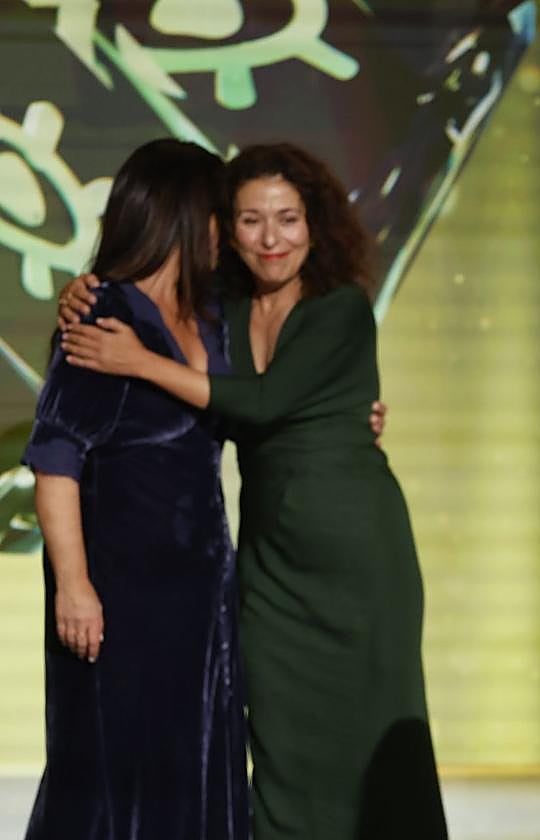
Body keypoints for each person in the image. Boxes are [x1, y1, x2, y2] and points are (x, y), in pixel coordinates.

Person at [59, 143, 446, 840]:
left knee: (378, 737)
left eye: (288, 219)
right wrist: (83, 290)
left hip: (358, 560)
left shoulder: (341, 308)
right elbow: (202, 379)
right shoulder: (223, 310)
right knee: (280, 737)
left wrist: (137, 362)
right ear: (224, 230)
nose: (271, 238)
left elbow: (264, 403)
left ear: (316, 224)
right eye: (251, 220)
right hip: (269, 564)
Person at [22, 139, 248, 838]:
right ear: (184, 215)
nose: (227, 231)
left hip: (199, 590)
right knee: (111, 771)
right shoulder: (103, 314)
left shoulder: (212, 314)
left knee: (195, 759)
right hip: (120, 592)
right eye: (218, 213)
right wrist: (74, 586)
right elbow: (55, 462)